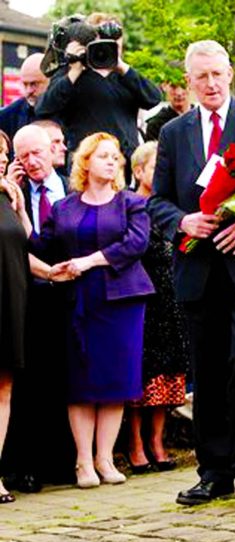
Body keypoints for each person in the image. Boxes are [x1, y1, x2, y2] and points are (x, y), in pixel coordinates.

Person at [148, 40, 235, 506]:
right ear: (187, 80)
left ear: (230, 74)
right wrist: (181, 221)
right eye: (200, 76)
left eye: (217, 74)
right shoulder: (173, 133)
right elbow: (157, 201)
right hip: (200, 269)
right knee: (207, 372)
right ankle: (213, 473)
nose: (209, 84)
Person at [25, 132, 153, 488]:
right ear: (86, 162)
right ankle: (83, 462)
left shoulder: (131, 203)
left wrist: (88, 261)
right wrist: (21, 214)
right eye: (103, 156)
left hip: (122, 300)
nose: (112, 162)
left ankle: (106, 459)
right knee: (80, 380)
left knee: (116, 379)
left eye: (116, 157)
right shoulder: (65, 207)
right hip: (77, 301)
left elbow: (135, 243)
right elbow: (41, 245)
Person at [2, 125, 76, 494]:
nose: (31, 162)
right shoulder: (11, 195)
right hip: (24, 296)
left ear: (55, 151)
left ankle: (62, 461)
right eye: (22, 155)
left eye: (38, 153)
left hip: (69, 296)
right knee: (25, 384)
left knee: (62, 377)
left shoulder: (73, 187)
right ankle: (23, 466)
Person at [36, 13, 161, 181]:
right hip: (85, 169)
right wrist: (74, 68)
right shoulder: (73, 73)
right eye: (102, 38)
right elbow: (45, 107)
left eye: (114, 38)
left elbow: (153, 98)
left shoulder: (125, 76)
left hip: (123, 168)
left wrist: (121, 66)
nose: (107, 44)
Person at [125, 141, 188, 474]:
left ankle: (157, 441)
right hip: (140, 296)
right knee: (139, 373)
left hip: (170, 296)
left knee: (166, 372)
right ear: (138, 171)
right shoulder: (128, 204)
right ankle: (135, 444)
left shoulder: (170, 206)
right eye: (155, 168)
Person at [0, 54, 48, 156]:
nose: (28, 91)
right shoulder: (7, 117)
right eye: (25, 84)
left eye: (34, 84)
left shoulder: (72, 113)